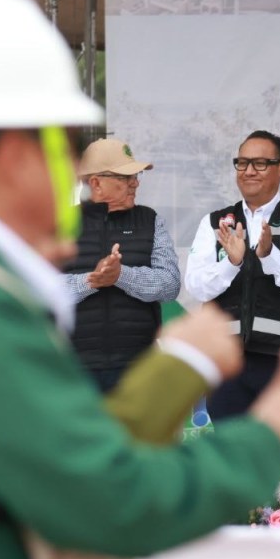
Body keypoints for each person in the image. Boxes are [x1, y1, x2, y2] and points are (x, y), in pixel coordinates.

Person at [0, 0, 280, 559]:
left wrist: (177, 366)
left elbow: (71, 456)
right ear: (11, 158)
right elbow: (104, 497)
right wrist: (266, 443)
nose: (77, 176)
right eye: (63, 147)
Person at [185, 130, 280, 419]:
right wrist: (232, 263)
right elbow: (196, 286)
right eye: (242, 163)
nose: (249, 171)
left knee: (279, 446)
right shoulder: (214, 222)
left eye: (260, 163)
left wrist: (270, 255)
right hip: (226, 363)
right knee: (228, 445)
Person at [64, 137, 180, 392]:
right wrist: (91, 280)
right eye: (126, 177)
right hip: (73, 368)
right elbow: (38, 290)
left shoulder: (150, 220)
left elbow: (170, 284)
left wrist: (120, 275)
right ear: (96, 183)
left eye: (135, 176)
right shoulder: (62, 224)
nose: (135, 183)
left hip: (139, 367)